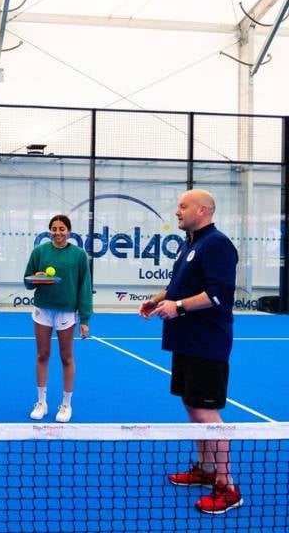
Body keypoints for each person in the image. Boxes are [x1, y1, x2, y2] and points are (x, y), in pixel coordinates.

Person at [139, 189, 242, 514]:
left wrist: (179, 306)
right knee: (191, 406)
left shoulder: (217, 244)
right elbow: (179, 286)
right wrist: (157, 299)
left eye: (183, 206)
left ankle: (227, 486)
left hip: (207, 342)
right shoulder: (191, 244)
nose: (177, 212)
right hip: (185, 340)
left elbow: (219, 294)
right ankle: (206, 469)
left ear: (203, 210)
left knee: (205, 412)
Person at [23, 214, 92, 424]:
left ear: (69, 231)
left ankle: (66, 404)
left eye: (62, 229)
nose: (58, 232)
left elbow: (84, 287)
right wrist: (37, 278)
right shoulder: (39, 252)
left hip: (66, 311)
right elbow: (28, 282)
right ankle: (41, 402)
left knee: (66, 357)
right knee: (42, 354)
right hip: (42, 310)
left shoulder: (79, 255)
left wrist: (84, 319)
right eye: (54, 228)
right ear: (49, 231)